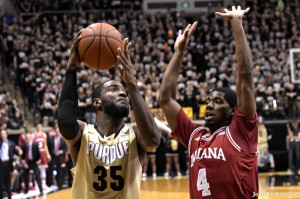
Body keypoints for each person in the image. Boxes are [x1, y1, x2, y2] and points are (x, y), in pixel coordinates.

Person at [158, 6, 258, 199]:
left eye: (218, 101)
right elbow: (165, 99)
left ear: (232, 111)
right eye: (208, 101)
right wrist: (179, 52)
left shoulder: (241, 130)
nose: (209, 105)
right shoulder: (194, 136)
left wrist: (236, 23)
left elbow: (245, 76)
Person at [57, 32, 160, 199]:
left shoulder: (134, 134)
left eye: (124, 92)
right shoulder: (84, 133)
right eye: (113, 90)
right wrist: (71, 69)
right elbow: (65, 122)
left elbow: (153, 140)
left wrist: (131, 84)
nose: (122, 94)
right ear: (97, 103)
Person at [0, 129, 22, 199]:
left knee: (8, 181)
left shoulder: (11, 143)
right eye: (1, 134)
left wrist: (19, 151)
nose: (3, 135)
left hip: (8, 164)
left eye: (4, 134)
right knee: (1, 181)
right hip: (1, 164)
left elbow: (16, 151)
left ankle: (9, 196)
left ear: (6, 135)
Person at [21, 132, 43, 196]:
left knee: (37, 175)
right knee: (25, 176)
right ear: (25, 138)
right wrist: (24, 163)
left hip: (34, 161)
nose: (28, 138)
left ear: (31, 138)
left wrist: (39, 160)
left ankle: (41, 190)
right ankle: (26, 189)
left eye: (29, 137)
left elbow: (39, 154)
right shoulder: (23, 145)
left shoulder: (35, 145)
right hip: (27, 162)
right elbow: (22, 156)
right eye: (26, 137)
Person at [46, 124, 68, 189]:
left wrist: (60, 152)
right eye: (56, 132)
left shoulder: (63, 139)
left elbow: (65, 149)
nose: (57, 133)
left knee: (59, 170)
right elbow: (47, 147)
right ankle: (49, 184)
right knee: (50, 169)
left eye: (59, 132)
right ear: (55, 132)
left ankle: (59, 184)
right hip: (52, 156)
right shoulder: (50, 139)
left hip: (60, 157)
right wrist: (48, 155)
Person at [33, 123, 51, 190]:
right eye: (37, 126)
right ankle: (37, 184)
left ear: (41, 127)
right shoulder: (33, 135)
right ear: (36, 127)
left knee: (43, 169)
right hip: (37, 153)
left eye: (40, 126)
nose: (39, 127)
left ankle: (43, 184)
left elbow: (45, 145)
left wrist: (48, 154)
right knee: (36, 170)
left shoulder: (44, 134)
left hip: (43, 152)